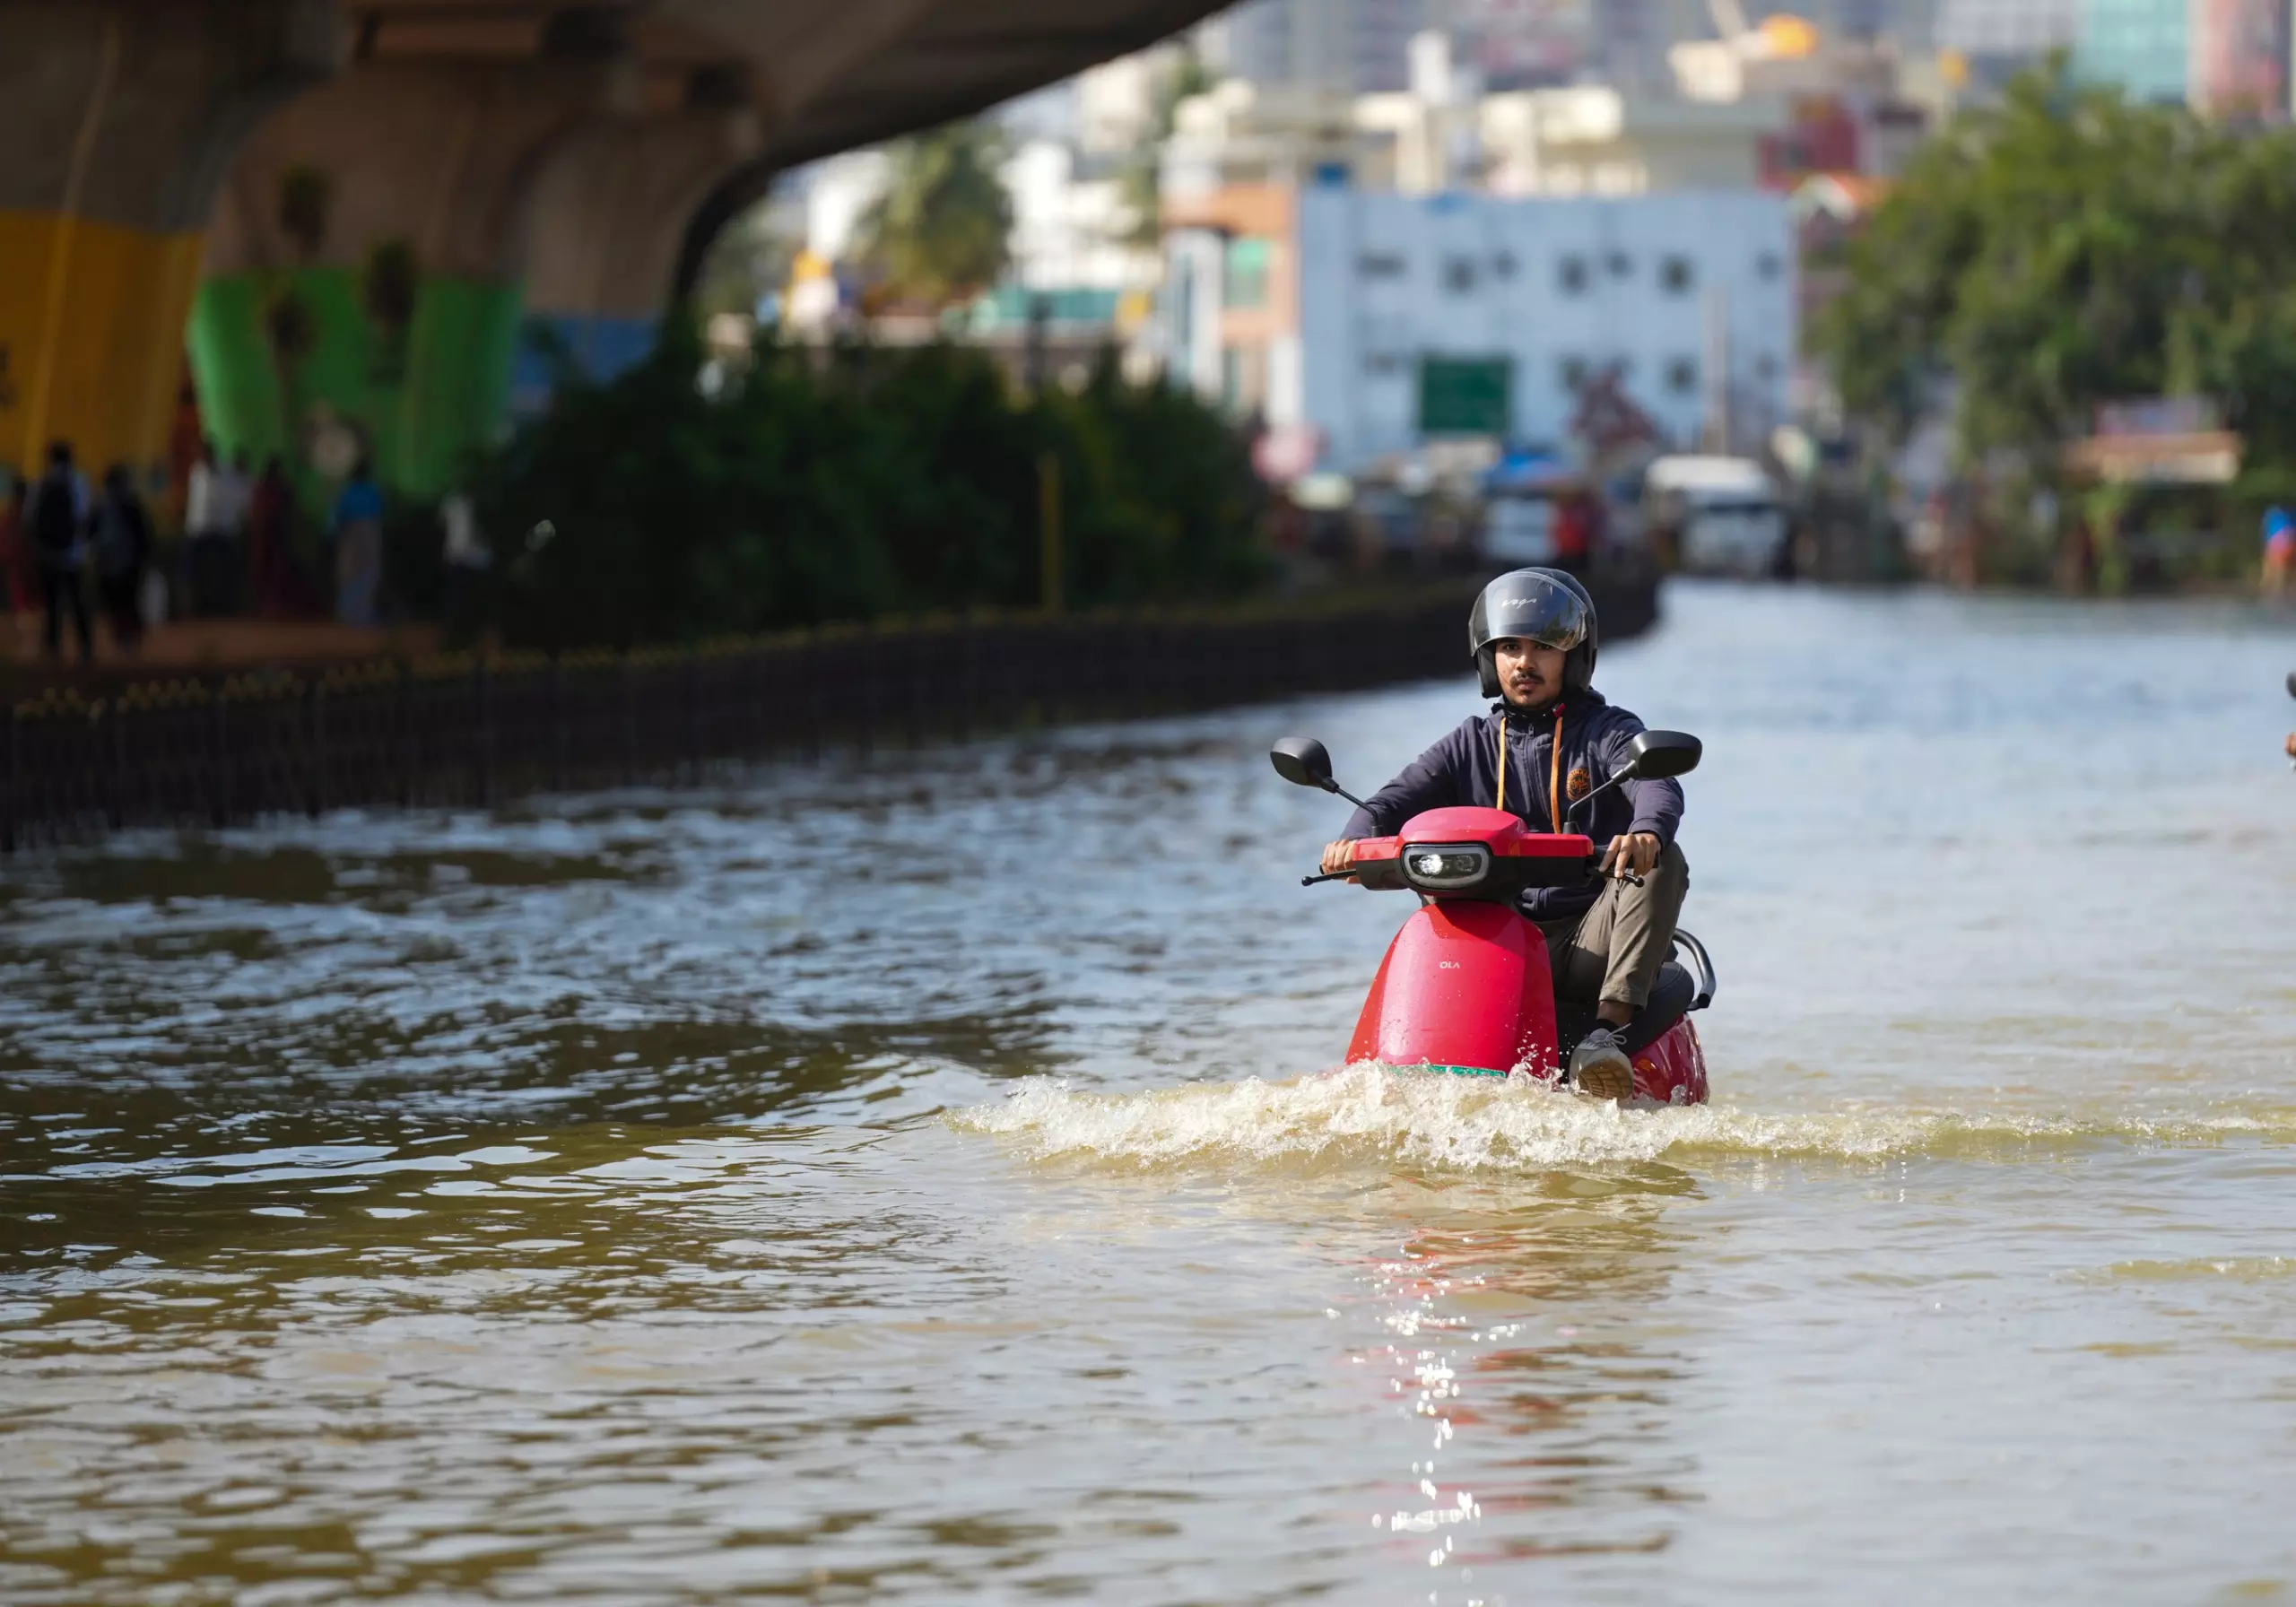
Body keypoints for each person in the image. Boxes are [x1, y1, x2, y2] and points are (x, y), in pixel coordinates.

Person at [1318, 568, 1687, 1099]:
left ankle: (1605, 1036)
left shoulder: (1608, 732)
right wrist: (1353, 842)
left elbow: (1656, 783)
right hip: (1497, 939)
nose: (1524, 662)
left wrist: (1647, 831)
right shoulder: (1469, 743)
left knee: (1666, 861)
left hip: (1587, 941)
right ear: (1489, 659)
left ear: (1575, 656)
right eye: (1509, 647)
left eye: (1543, 647)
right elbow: (1391, 801)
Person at [25, 440, 92, 663]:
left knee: (52, 605)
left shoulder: (40, 484)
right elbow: (84, 519)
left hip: (47, 554)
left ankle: (53, 650)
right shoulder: (79, 482)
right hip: (73, 555)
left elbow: (30, 519)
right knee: (77, 603)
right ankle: (85, 648)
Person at [91, 465, 154, 655]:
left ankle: (128, 639)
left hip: (120, 564)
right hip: (117, 564)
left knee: (124, 603)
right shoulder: (117, 506)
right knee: (122, 604)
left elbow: (143, 535)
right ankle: (126, 639)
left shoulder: (123, 506)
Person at [330, 456, 383, 627]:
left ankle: (352, 615)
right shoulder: (370, 490)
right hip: (366, 531)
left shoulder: (348, 491)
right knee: (365, 572)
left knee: (352, 573)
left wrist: (335, 533)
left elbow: (338, 514)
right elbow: (380, 512)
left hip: (353, 531)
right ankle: (360, 615)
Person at [248, 455, 294, 617]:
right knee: (266, 572)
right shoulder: (266, 488)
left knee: (272, 573)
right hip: (266, 534)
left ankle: (272, 608)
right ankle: (264, 609)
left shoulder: (275, 488)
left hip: (273, 535)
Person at [2264, 508, 2294, 600]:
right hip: (2285, 543)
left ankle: (2275, 594)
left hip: (2277, 544)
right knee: (2286, 572)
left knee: (2276, 573)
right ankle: (2280, 593)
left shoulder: (2273, 515)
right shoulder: (2286, 516)